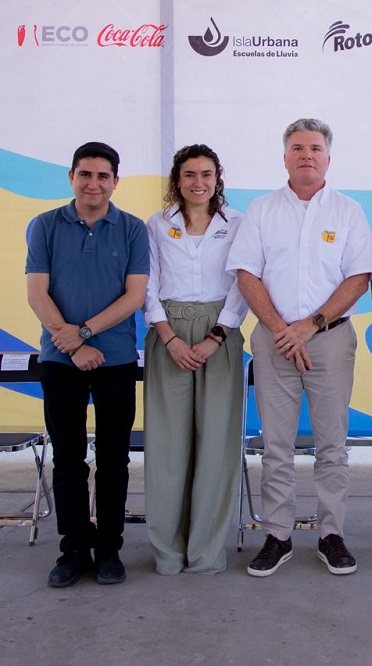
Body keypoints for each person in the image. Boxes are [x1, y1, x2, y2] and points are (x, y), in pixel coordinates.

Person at [227, 118, 372, 577]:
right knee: (276, 445)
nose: (306, 154)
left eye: (314, 147)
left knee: (332, 444)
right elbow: (246, 273)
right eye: (297, 147)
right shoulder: (261, 210)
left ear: (328, 157)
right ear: (285, 156)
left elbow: (358, 278)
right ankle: (278, 534)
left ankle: (331, 534)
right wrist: (280, 329)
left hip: (329, 341)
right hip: (273, 344)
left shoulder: (348, 211)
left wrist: (309, 326)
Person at [25, 141, 150, 587]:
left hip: (115, 359)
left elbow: (134, 296)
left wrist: (84, 334)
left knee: (115, 457)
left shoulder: (133, 229)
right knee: (68, 459)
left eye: (102, 175)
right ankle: (73, 548)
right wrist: (73, 344)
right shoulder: (44, 225)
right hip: (61, 362)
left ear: (116, 181)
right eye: (85, 174)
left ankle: (109, 547)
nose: (93, 183)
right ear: (72, 177)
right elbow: (37, 293)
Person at [142, 144, 248, 575]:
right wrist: (168, 337)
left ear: (217, 177)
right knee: (168, 446)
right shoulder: (156, 224)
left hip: (219, 335)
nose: (198, 182)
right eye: (189, 175)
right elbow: (146, 283)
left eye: (206, 174)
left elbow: (244, 282)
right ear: (177, 179)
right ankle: (167, 551)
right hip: (168, 332)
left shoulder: (238, 223)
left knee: (215, 446)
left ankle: (206, 551)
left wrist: (216, 336)